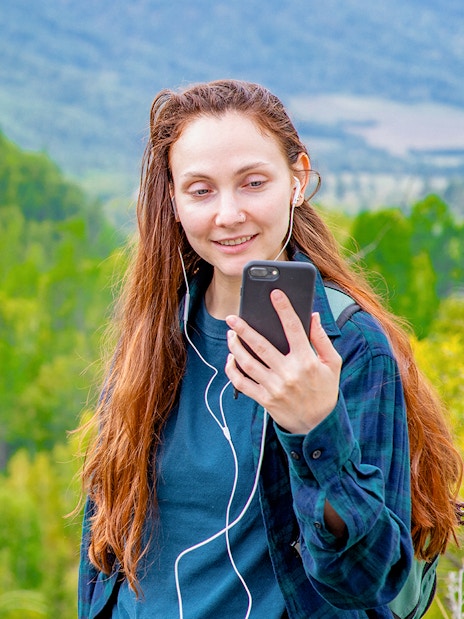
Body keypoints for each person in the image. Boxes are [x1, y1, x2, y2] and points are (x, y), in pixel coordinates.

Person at [78, 79, 462, 619]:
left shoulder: (350, 348)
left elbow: (366, 583)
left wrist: (316, 427)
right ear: (173, 198)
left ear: (297, 179)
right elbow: (105, 542)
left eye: (253, 182)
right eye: (201, 190)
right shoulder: (152, 340)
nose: (228, 214)